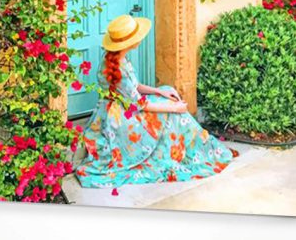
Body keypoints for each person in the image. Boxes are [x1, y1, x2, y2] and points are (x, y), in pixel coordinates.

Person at [75, 14, 238, 189]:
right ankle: (196, 150)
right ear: (129, 43)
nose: (140, 39)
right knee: (173, 114)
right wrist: (174, 109)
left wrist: (159, 90)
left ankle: (197, 146)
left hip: (127, 106)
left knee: (167, 91)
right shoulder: (118, 67)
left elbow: (135, 87)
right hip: (121, 116)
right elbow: (139, 105)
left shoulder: (119, 58)